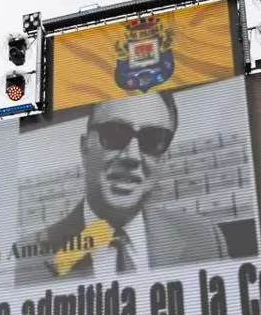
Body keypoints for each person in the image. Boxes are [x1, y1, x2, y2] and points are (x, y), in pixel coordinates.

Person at [14, 91, 228, 287]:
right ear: (84, 148)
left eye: (152, 140)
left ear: (164, 158)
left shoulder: (205, 239)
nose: (132, 156)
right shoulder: (26, 260)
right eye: (115, 134)